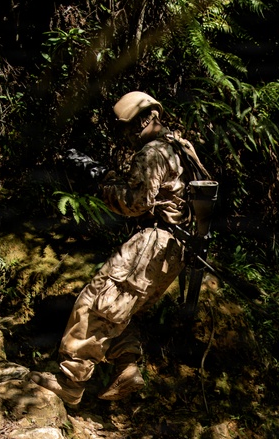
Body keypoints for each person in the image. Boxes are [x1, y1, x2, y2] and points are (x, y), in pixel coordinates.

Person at [30, 91, 207, 405]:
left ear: (138, 122)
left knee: (96, 303)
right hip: (174, 250)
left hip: (154, 243)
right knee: (116, 311)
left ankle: (70, 383)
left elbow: (135, 202)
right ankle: (126, 369)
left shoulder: (153, 152)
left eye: (125, 130)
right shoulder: (182, 146)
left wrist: (98, 178)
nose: (124, 138)